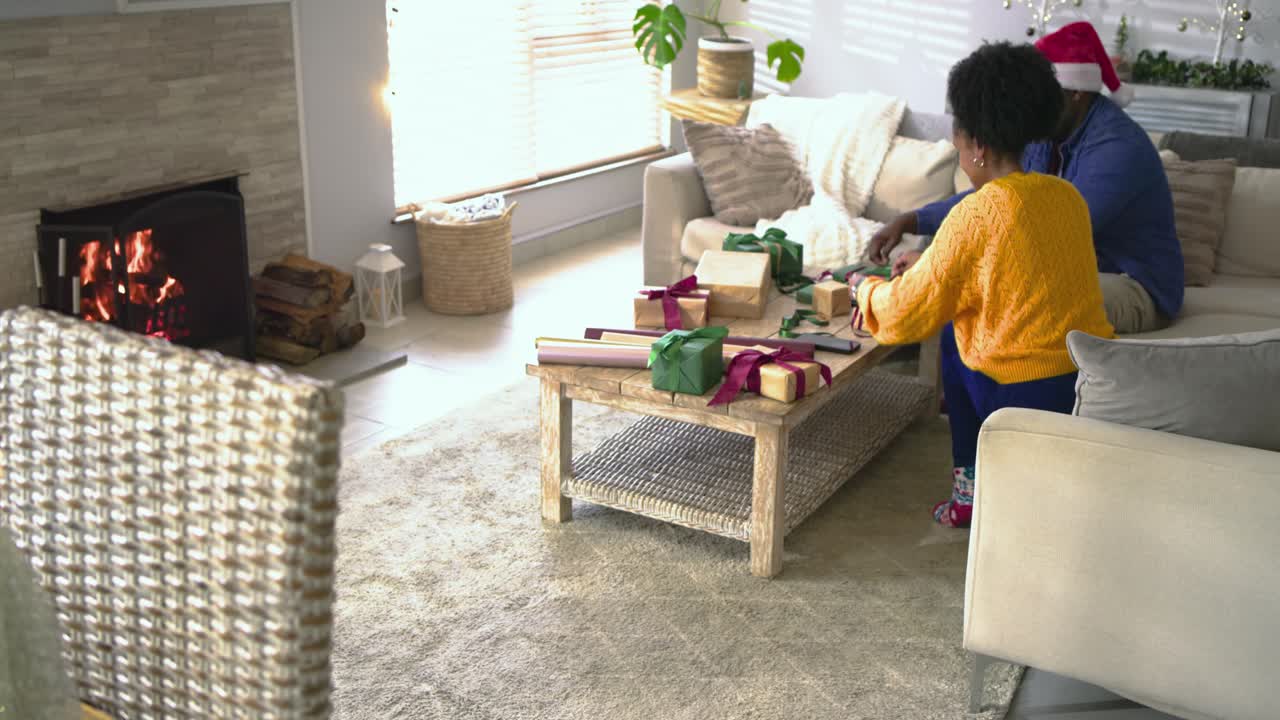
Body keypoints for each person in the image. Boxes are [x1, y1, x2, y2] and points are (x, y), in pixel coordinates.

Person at [850, 41, 1115, 528]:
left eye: (956, 140)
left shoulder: (975, 213)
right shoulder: (1066, 197)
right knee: (964, 314)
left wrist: (863, 290)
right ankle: (984, 485)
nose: (955, 150)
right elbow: (1010, 269)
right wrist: (930, 261)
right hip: (1083, 379)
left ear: (977, 145)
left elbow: (907, 314)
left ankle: (969, 494)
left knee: (954, 332)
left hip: (1022, 391)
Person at [869, 21, 1182, 334]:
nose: (1034, 104)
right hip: (1074, 267)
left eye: (1045, 94)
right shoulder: (1048, 131)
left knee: (999, 290)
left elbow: (1050, 235)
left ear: (1076, 92)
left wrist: (939, 267)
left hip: (1134, 284)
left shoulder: (1118, 147)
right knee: (963, 279)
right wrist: (912, 221)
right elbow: (998, 198)